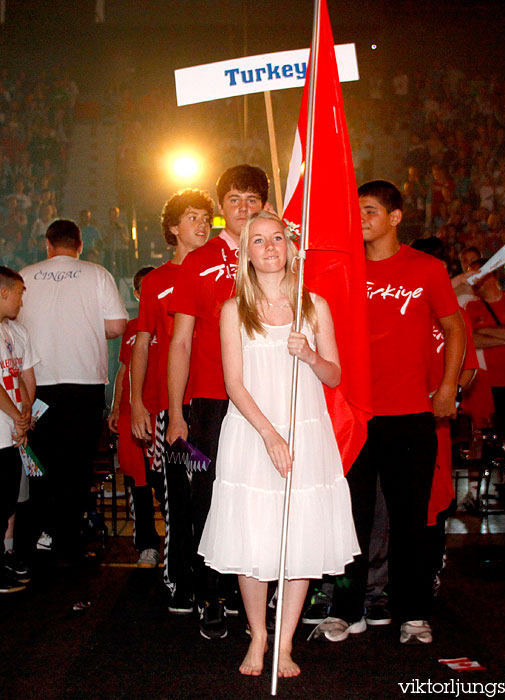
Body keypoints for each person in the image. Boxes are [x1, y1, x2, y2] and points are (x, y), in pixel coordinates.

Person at [199, 211, 359, 677]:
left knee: (299, 538)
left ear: (290, 247)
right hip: (252, 435)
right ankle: (259, 634)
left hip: (308, 433)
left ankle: (285, 643)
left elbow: (335, 373)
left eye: (277, 239)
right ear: (245, 253)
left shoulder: (315, 306)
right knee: (253, 538)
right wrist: (269, 434)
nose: (270, 247)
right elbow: (233, 383)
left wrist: (308, 353)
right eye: (258, 241)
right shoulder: (234, 310)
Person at [314, 181, 465, 645]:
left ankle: (413, 613)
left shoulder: (427, 268)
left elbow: (455, 329)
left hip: (410, 413)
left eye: (371, 210)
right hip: (355, 413)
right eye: (355, 210)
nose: (361, 218)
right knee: (350, 519)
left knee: (411, 520)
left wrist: (446, 387)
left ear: (396, 217)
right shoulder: (342, 269)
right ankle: (346, 609)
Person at [166, 165, 268, 636]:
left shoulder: (278, 253)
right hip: (210, 403)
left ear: (264, 205)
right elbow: (180, 342)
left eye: (252, 199)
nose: (243, 208)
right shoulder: (198, 261)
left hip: (267, 401)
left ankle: (256, 599)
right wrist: (177, 413)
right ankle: (211, 594)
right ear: (221, 206)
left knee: (261, 498)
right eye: (234, 200)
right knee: (207, 498)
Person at [19, 219, 127, 560]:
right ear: (79, 245)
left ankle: (36, 536)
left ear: (48, 245)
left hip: (37, 385)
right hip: (84, 383)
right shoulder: (96, 274)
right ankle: (68, 538)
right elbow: (116, 325)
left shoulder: (25, 274)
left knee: (39, 461)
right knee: (78, 462)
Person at [130, 188, 214, 606]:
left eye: (205, 218)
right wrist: (136, 404)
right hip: (173, 410)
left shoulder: (221, 272)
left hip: (217, 406)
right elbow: (141, 344)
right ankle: (181, 580)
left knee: (215, 496)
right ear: (173, 228)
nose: (201, 225)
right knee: (178, 497)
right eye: (193, 218)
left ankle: (216, 584)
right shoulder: (158, 281)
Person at [108, 266, 164, 568]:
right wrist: (117, 407)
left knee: (165, 482)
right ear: (137, 293)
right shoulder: (130, 328)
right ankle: (147, 546)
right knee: (137, 483)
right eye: (143, 288)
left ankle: (180, 546)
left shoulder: (172, 322)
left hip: (162, 415)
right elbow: (123, 371)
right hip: (132, 416)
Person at [0, 266, 37, 593]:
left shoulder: (13, 331)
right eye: (20, 294)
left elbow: (20, 379)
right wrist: (17, 416)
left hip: (11, 433)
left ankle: (6, 556)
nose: (21, 303)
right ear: (3, 292)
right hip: (2, 430)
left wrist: (25, 413)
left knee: (8, 499)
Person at [465, 259, 505, 419]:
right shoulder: (470, 306)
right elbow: (472, 340)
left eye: (475, 276)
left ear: (490, 276)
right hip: (484, 382)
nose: (471, 281)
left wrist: (483, 330)